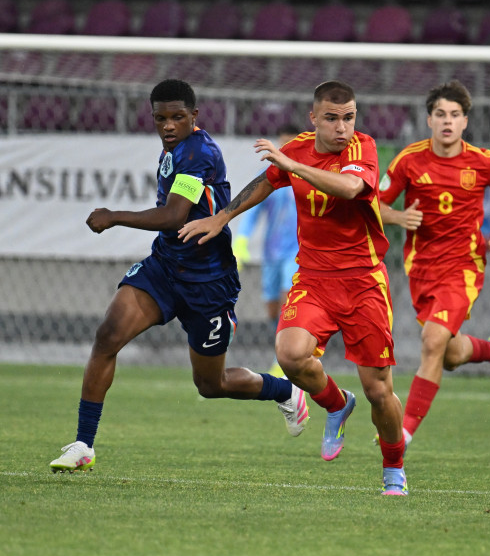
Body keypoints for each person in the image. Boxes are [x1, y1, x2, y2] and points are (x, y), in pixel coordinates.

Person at [49, 79, 308, 473]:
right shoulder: (173, 147)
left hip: (208, 281)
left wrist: (113, 216)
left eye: (177, 117)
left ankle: (285, 391)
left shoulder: (199, 154)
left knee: (211, 385)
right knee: (107, 337)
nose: (168, 125)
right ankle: (84, 443)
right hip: (165, 269)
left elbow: (173, 216)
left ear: (194, 116)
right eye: (161, 118)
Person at [179, 81, 408, 495]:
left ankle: (393, 466)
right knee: (289, 354)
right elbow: (267, 181)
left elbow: (351, 188)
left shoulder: (363, 149)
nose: (343, 128)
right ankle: (337, 405)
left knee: (379, 390)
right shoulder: (299, 149)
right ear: (314, 118)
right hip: (315, 278)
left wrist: (292, 165)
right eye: (333, 119)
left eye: (349, 117)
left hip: (363, 282)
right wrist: (223, 217)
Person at [379, 79, 490, 450]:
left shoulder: (482, 161)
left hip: (464, 266)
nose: (448, 121)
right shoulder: (409, 160)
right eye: (440, 114)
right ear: (429, 120)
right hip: (421, 269)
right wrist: (397, 218)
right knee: (450, 355)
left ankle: (403, 432)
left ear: (465, 122)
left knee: (431, 342)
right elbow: (374, 205)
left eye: (455, 115)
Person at [232, 123, 302, 350]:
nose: (285, 148)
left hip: (297, 252)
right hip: (271, 252)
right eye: (282, 143)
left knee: (287, 301)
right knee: (272, 308)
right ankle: (283, 349)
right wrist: (241, 241)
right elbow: (252, 211)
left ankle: (284, 357)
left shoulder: (306, 175)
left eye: (290, 143)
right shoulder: (269, 176)